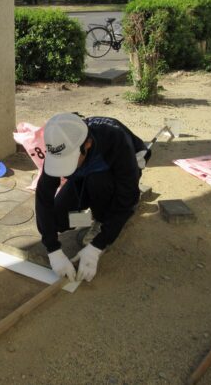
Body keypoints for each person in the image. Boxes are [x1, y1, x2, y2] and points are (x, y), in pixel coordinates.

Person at [35, 113, 150, 283]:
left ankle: (101, 218)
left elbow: (127, 199)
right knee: (58, 220)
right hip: (85, 175)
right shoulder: (60, 142)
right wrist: (53, 250)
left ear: (87, 144)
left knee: (99, 182)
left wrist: (97, 246)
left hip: (115, 174)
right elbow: (44, 196)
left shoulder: (115, 141)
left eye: (71, 159)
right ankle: (90, 213)